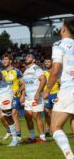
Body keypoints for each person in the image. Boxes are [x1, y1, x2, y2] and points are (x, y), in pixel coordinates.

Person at [43, 17, 74, 159]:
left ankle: (69, 156)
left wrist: (48, 89)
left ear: (63, 29)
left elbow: (55, 70)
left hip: (69, 89)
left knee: (55, 127)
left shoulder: (59, 44)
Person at [20, 54, 47, 143]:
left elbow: (43, 79)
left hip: (36, 97)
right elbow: (24, 84)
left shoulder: (36, 68)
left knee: (36, 116)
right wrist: (22, 95)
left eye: (29, 57)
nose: (27, 58)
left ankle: (42, 138)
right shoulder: (26, 71)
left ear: (34, 60)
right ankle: (32, 137)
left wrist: (38, 93)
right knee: (27, 116)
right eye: (26, 57)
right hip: (28, 98)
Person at [1, 54, 23, 141]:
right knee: (2, 117)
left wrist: (21, 93)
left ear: (10, 61)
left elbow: (23, 83)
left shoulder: (17, 71)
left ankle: (18, 135)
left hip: (15, 96)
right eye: (3, 59)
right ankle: (9, 131)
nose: (4, 61)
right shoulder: (2, 73)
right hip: (5, 97)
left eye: (6, 59)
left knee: (14, 114)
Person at [43, 58, 60, 137]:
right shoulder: (42, 73)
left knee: (54, 114)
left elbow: (61, 84)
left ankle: (55, 129)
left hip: (55, 94)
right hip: (46, 95)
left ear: (52, 63)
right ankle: (47, 130)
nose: (47, 63)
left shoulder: (56, 72)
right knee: (47, 113)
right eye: (45, 62)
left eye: (48, 62)